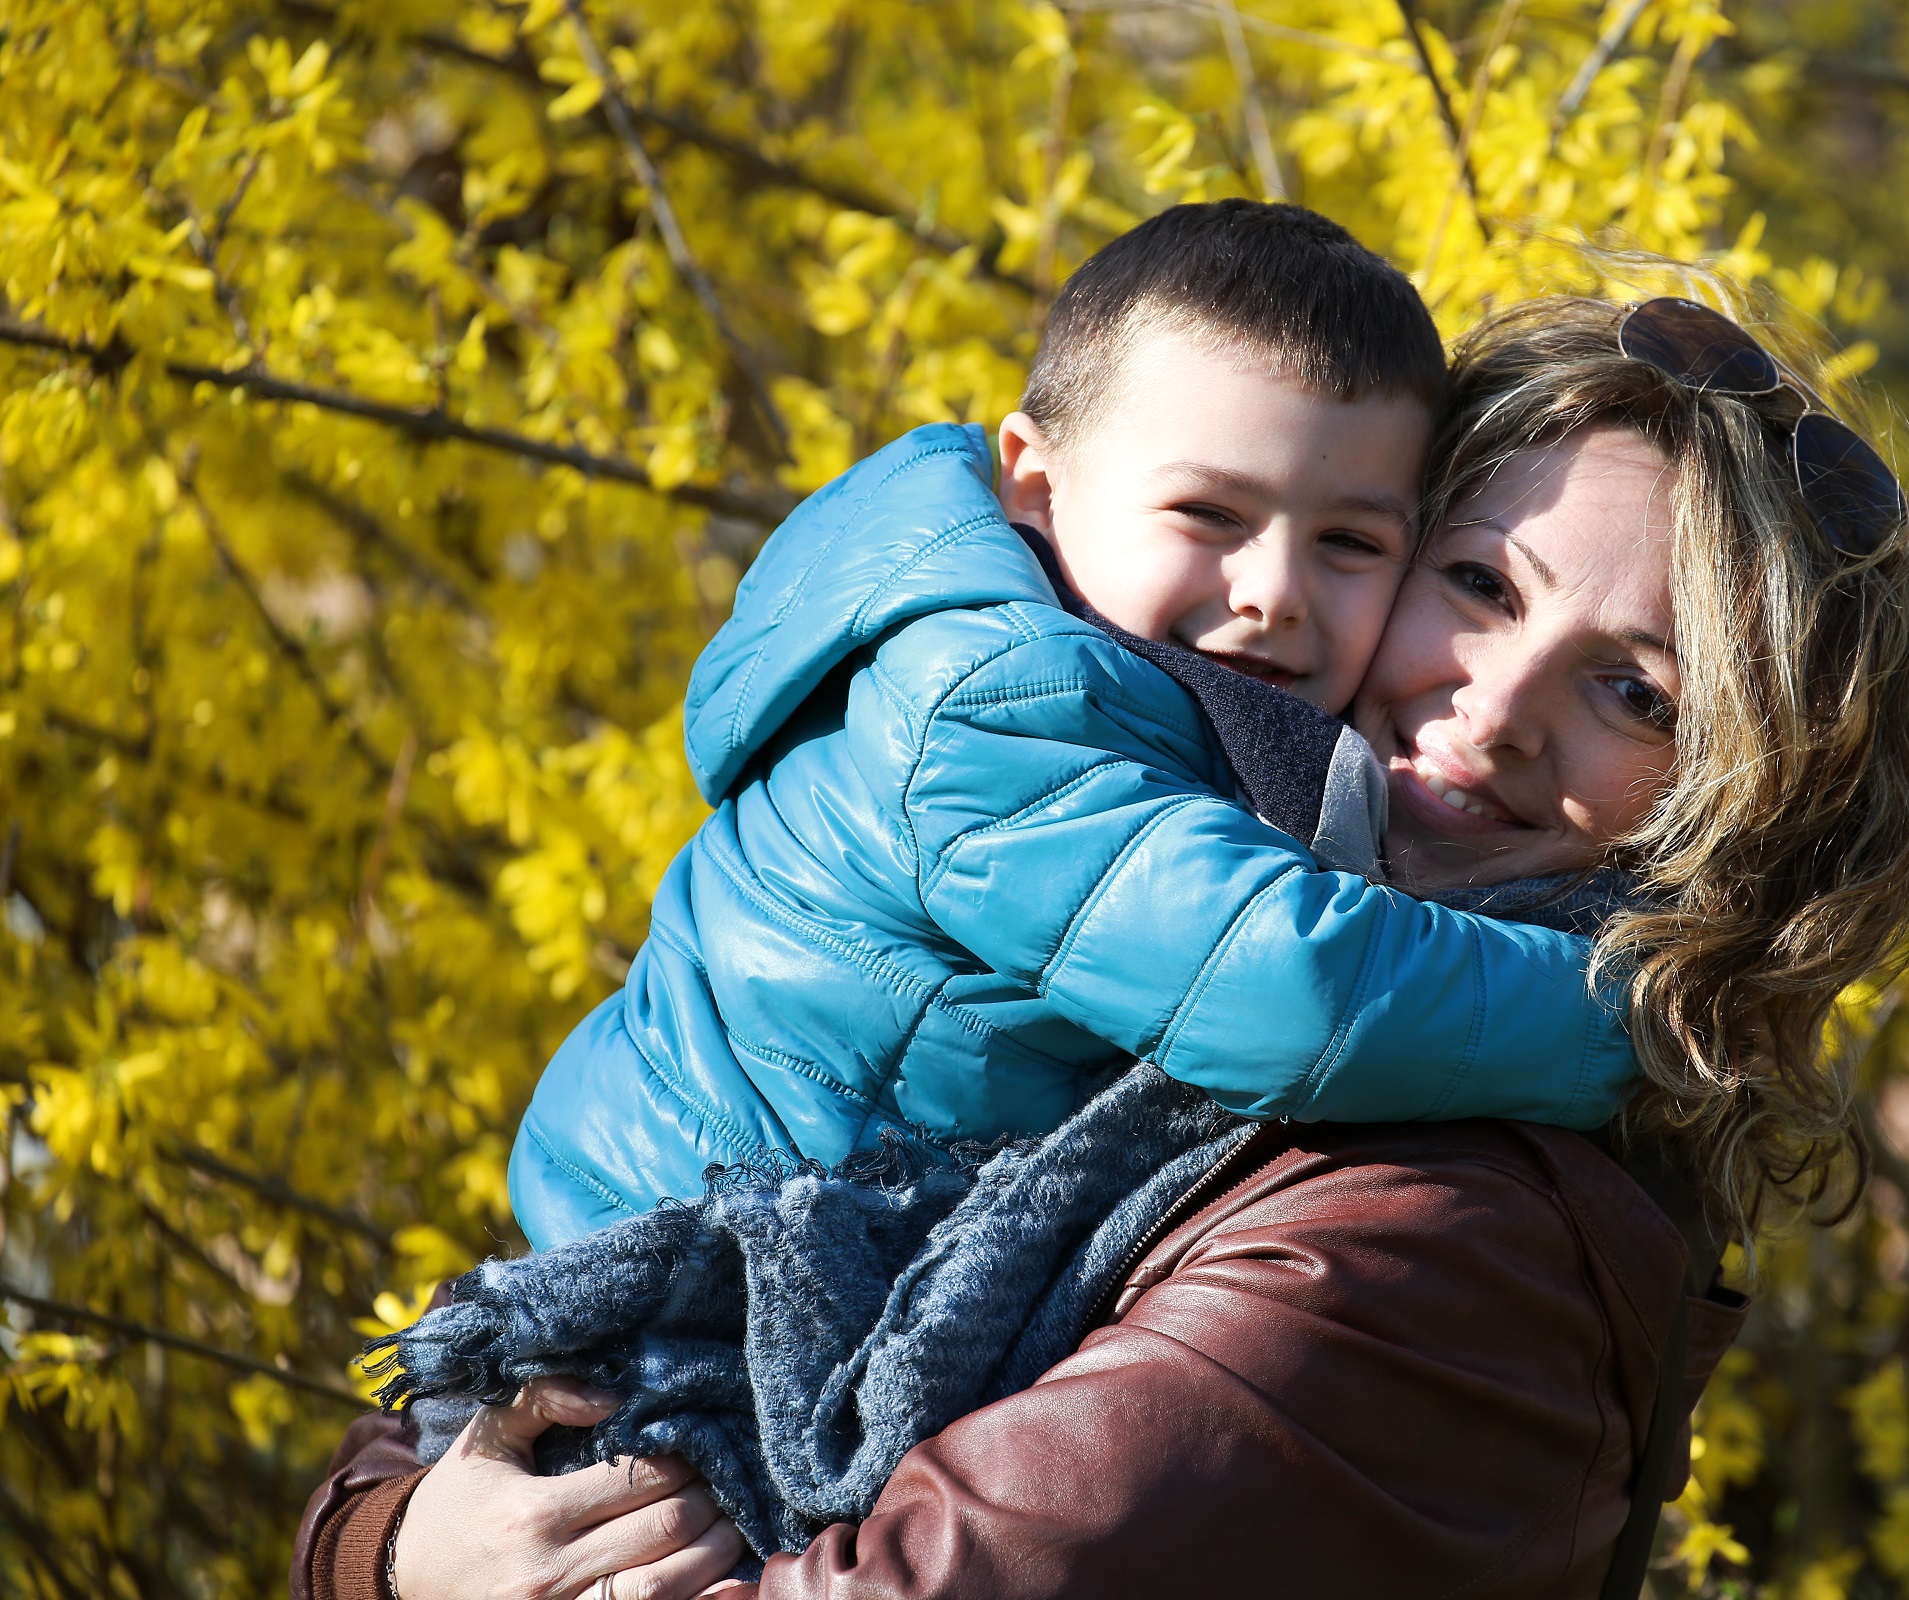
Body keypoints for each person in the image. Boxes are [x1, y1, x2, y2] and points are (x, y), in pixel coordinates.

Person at [294, 280, 1909, 1599]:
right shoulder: (1147, 917)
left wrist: (387, 1564)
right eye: (1475, 582)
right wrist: (394, 1544)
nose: (1493, 708)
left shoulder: (1441, 1241)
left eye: (1636, 695)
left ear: (1754, 810)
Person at [506, 199, 1650, 1255]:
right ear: (1035, 487)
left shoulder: (1160, 697)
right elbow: (1288, 985)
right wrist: (1627, 1018)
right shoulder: (993, 701)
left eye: (1351, 543)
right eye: (1210, 512)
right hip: (664, 1245)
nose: (1274, 591)